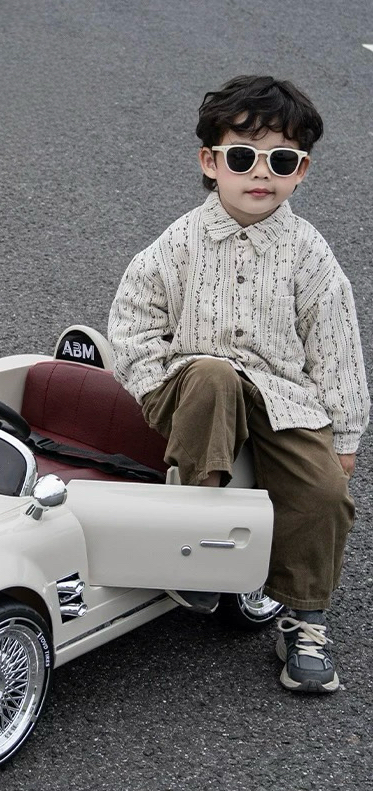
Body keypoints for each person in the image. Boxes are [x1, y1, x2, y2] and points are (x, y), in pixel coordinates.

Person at [107, 75, 370, 693]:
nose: (261, 174)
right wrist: (151, 383)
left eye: (281, 161)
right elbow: (133, 321)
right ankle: (195, 536)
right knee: (213, 374)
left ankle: (304, 620)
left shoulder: (308, 252)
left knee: (325, 493)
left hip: (282, 394)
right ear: (211, 162)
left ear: (301, 171)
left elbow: (336, 344)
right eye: (243, 157)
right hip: (191, 384)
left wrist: (345, 435)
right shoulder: (179, 243)